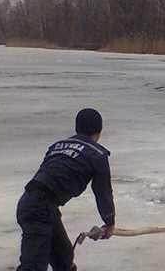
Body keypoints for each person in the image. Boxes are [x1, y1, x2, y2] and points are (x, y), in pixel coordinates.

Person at [16, 108, 115, 271]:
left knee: (64, 259)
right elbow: (103, 192)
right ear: (99, 131)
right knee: (33, 267)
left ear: (77, 128)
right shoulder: (98, 155)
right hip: (40, 209)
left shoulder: (57, 146)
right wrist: (109, 222)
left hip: (31, 202)